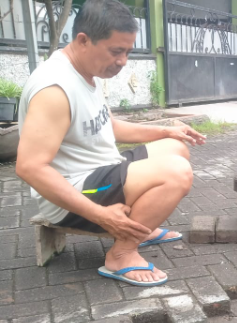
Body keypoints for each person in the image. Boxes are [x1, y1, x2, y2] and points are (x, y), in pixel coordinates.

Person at [16, 0, 206, 287]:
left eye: (127, 52)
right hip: (75, 191)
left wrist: (167, 131)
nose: (123, 61)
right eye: (116, 51)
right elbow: (29, 168)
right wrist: (102, 216)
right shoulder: (55, 89)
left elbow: (110, 127)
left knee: (176, 148)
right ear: (83, 40)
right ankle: (122, 253)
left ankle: (141, 227)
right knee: (177, 172)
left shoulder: (83, 71)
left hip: (101, 171)